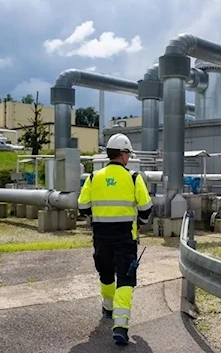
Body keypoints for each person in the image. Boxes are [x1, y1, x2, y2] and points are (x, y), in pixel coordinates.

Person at [78, 133, 153, 345]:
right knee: (125, 278)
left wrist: (98, 217)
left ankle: (108, 307)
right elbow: (147, 208)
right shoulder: (133, 178)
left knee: (106, 273)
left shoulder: (94, 178)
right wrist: (138, 223)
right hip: (125, 238)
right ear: (122, 154)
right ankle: (121, 326)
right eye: (128, 153)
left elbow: (83, 207)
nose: (128, 157)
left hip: (101, 237)